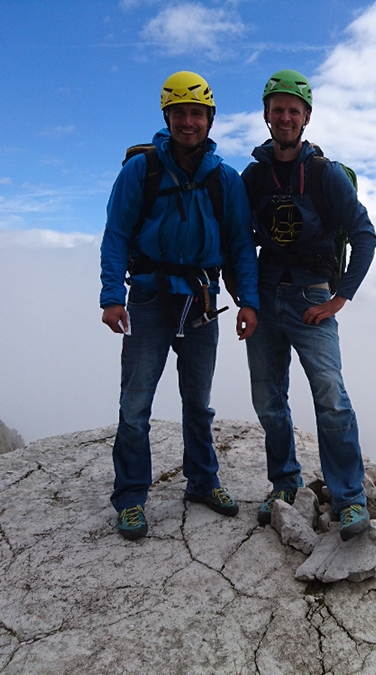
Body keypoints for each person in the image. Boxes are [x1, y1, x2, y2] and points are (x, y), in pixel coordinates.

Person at [100, 71, 259, 541]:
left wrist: (247, 299)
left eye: (197, 113)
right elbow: (116, 235)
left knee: (199, 402)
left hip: (202, 299)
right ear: (167, 116)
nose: (189, 122)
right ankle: (131, 497)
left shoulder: (225, 180)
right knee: (135, 403)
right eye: (180, 113)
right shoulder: (140, 171)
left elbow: (239, 246)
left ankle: (202, 481)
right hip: (148, 297)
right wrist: (112, 296)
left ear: (210, 119)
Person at [242, 69, 376, 541]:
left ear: (306, 118)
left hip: (311, 298)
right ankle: (284, 484)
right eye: (276, 109)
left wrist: (340, 299)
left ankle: (349, 498)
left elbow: (364, 236)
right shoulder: (253, 176)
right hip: (262, 296)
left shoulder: (325, 175)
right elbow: (239, 243)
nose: (283, 117)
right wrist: (245, 299)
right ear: (265, 115)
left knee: (331, 397)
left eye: (292, 110)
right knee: (268, 400)